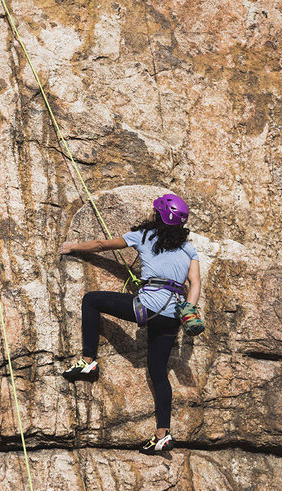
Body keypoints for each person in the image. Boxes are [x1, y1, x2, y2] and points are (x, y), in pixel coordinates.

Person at [59, 194, 201, 455]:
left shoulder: (144, 236)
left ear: (158, 216)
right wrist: (189, 310)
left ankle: (88, 359)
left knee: (91, 300)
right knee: (159, 373)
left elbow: (103, 244)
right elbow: (195, 283)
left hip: (146, 308)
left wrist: (72, 247)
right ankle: (162, 434)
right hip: (172, 316)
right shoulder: (188, 248)